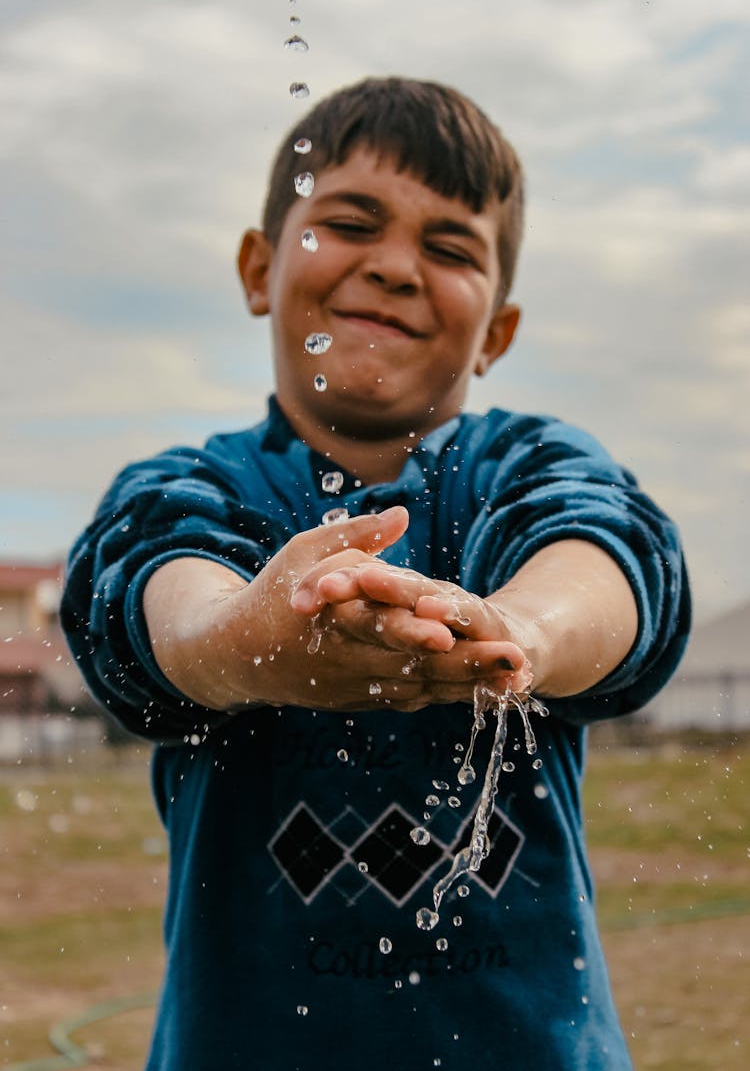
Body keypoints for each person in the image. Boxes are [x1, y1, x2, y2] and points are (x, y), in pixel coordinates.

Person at [61, 77, 690, 1070]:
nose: (396, 267)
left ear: (498, 334)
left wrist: (521, 631)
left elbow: (607, 553)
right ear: (260, 267)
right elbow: (150, 600)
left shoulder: (517, 468)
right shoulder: (195, 485)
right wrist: (247, 641)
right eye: (351, 221)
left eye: (449, 248)